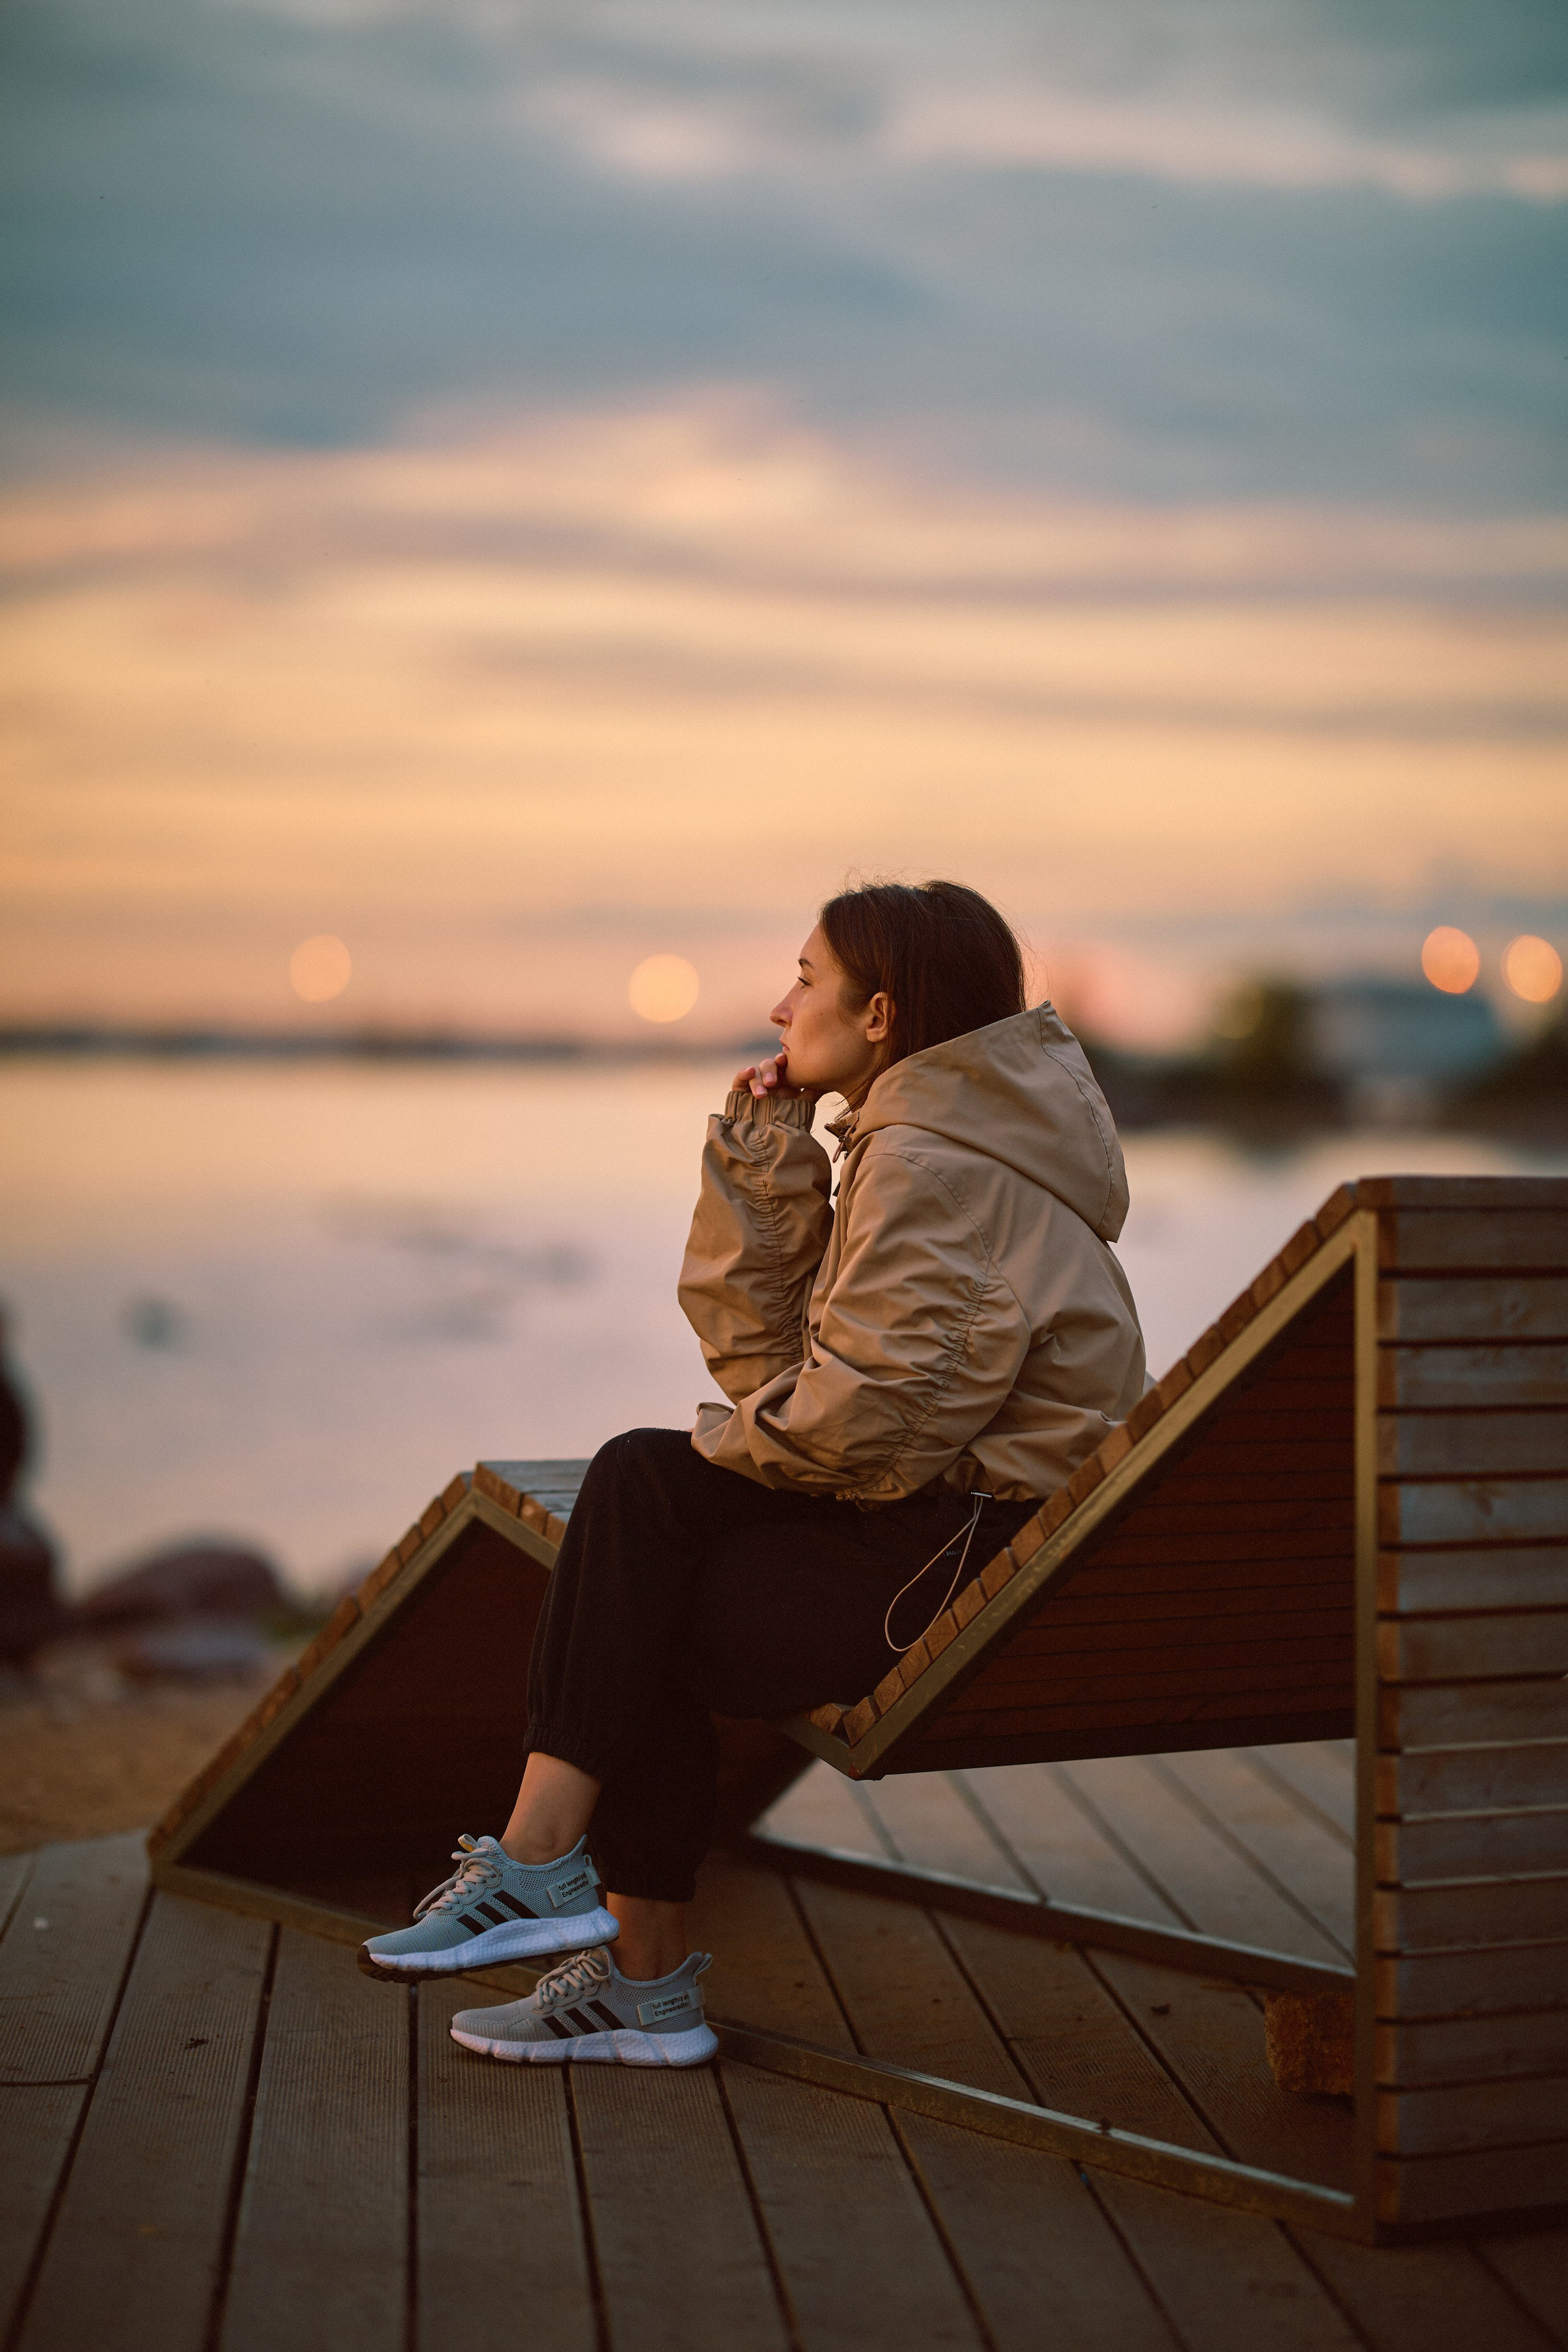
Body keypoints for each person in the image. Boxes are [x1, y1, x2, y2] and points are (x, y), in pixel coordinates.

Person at [361, 880, 1147, 2068]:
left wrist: (703, 1465)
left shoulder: (934, 1167)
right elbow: (784, 1376)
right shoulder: (941, 1144)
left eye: (803, 980)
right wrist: (765, 1164)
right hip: (971, 1543)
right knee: (641, 1523)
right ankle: (583, 1921)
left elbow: (868, 1428)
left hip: (961, 1568)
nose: (779, 1009)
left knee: (640, 1538)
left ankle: (587, 1923)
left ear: (877, 1013)